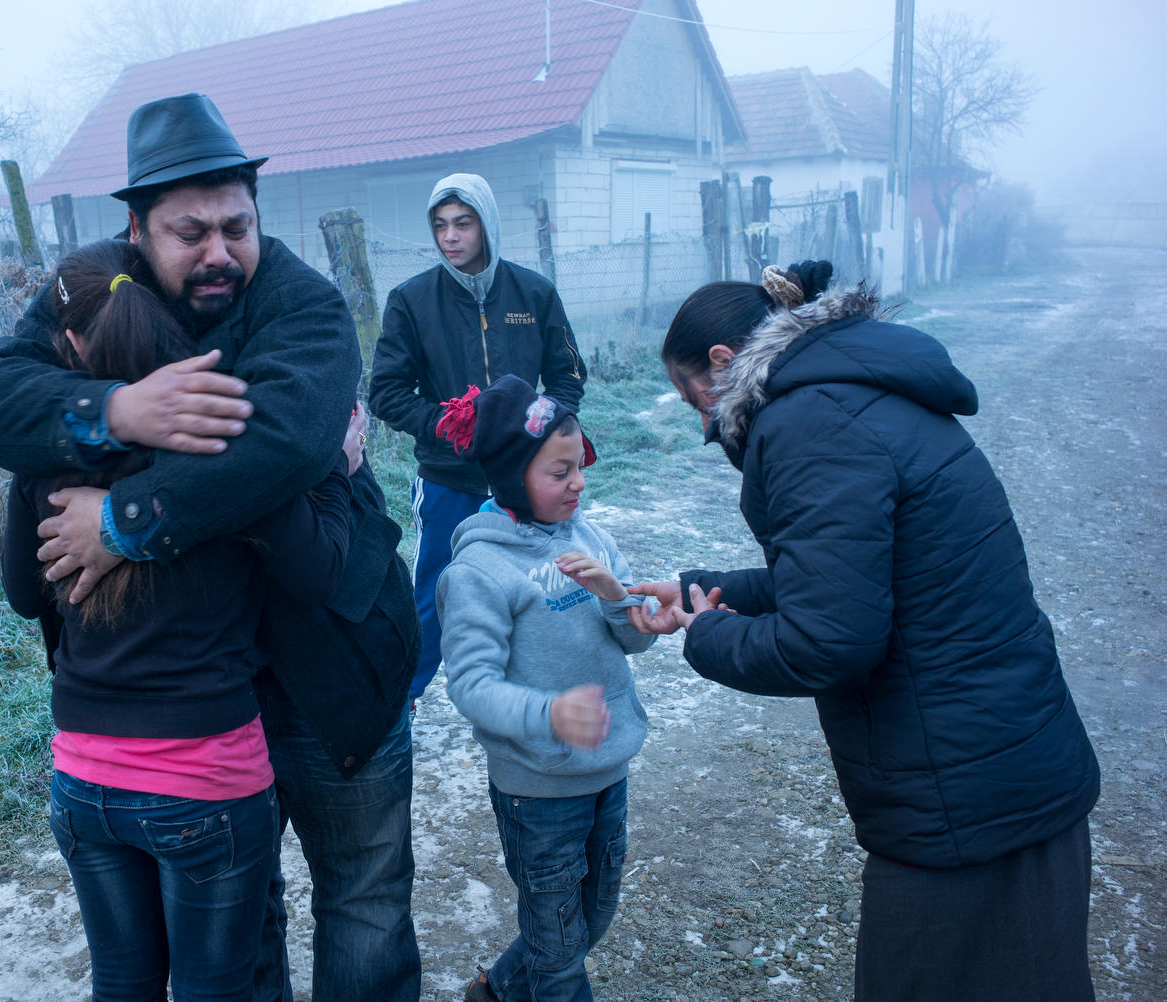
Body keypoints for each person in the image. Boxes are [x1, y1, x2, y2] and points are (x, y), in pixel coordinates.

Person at [0, 93, 420, 1002]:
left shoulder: (304, 307)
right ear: (137, 232)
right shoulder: (97, 290)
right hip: (202, 697)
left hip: (332, 653)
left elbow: (283, 446)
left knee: (363, 906)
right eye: (190, 232)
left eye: (236, 227)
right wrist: (117, 409)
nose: (219, 252)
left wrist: (121, 521)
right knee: (246, 929)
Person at [628, 262, 1100, 1001]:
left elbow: (828, 640)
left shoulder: (808, 424)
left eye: (694, 398)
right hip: (1004, 762)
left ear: (722, 362)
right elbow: (851, 578)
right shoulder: (851, 391)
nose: (703, 424)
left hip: (959, 794)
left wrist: (706, 633)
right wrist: (698, 589)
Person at [1, 239, 363, 1001]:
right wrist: (333, 467)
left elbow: (25, 596)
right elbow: (316, 570)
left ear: (72, 346)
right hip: (205, 779)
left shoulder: (42, 457)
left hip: (84, 776)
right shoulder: (224, 448)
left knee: (122, 984)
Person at [432, 374, 654, 1002]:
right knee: (558, 953)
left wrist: (618, 597)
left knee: (591, 918)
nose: (579, 483)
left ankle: (497, 990)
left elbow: (635, 641)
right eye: (560, 472)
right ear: (512, 479)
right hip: (538, 790)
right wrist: (550, 712)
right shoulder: (479, 571)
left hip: (607, 769)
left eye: (580, 465)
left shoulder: (591, 538)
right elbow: (470, 686)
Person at [369, 172, 587, 705]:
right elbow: (386, 393)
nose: (450, 236)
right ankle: (403, 702)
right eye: (440, 225)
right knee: (435, 592)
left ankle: (539, 693)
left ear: (486, 224)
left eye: (463, 223)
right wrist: (445, 425)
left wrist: (543, 428)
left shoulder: (534, 292)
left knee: (544, 584)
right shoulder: (411, 300)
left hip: (527, 479)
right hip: (449, 478)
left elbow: (567, 376)